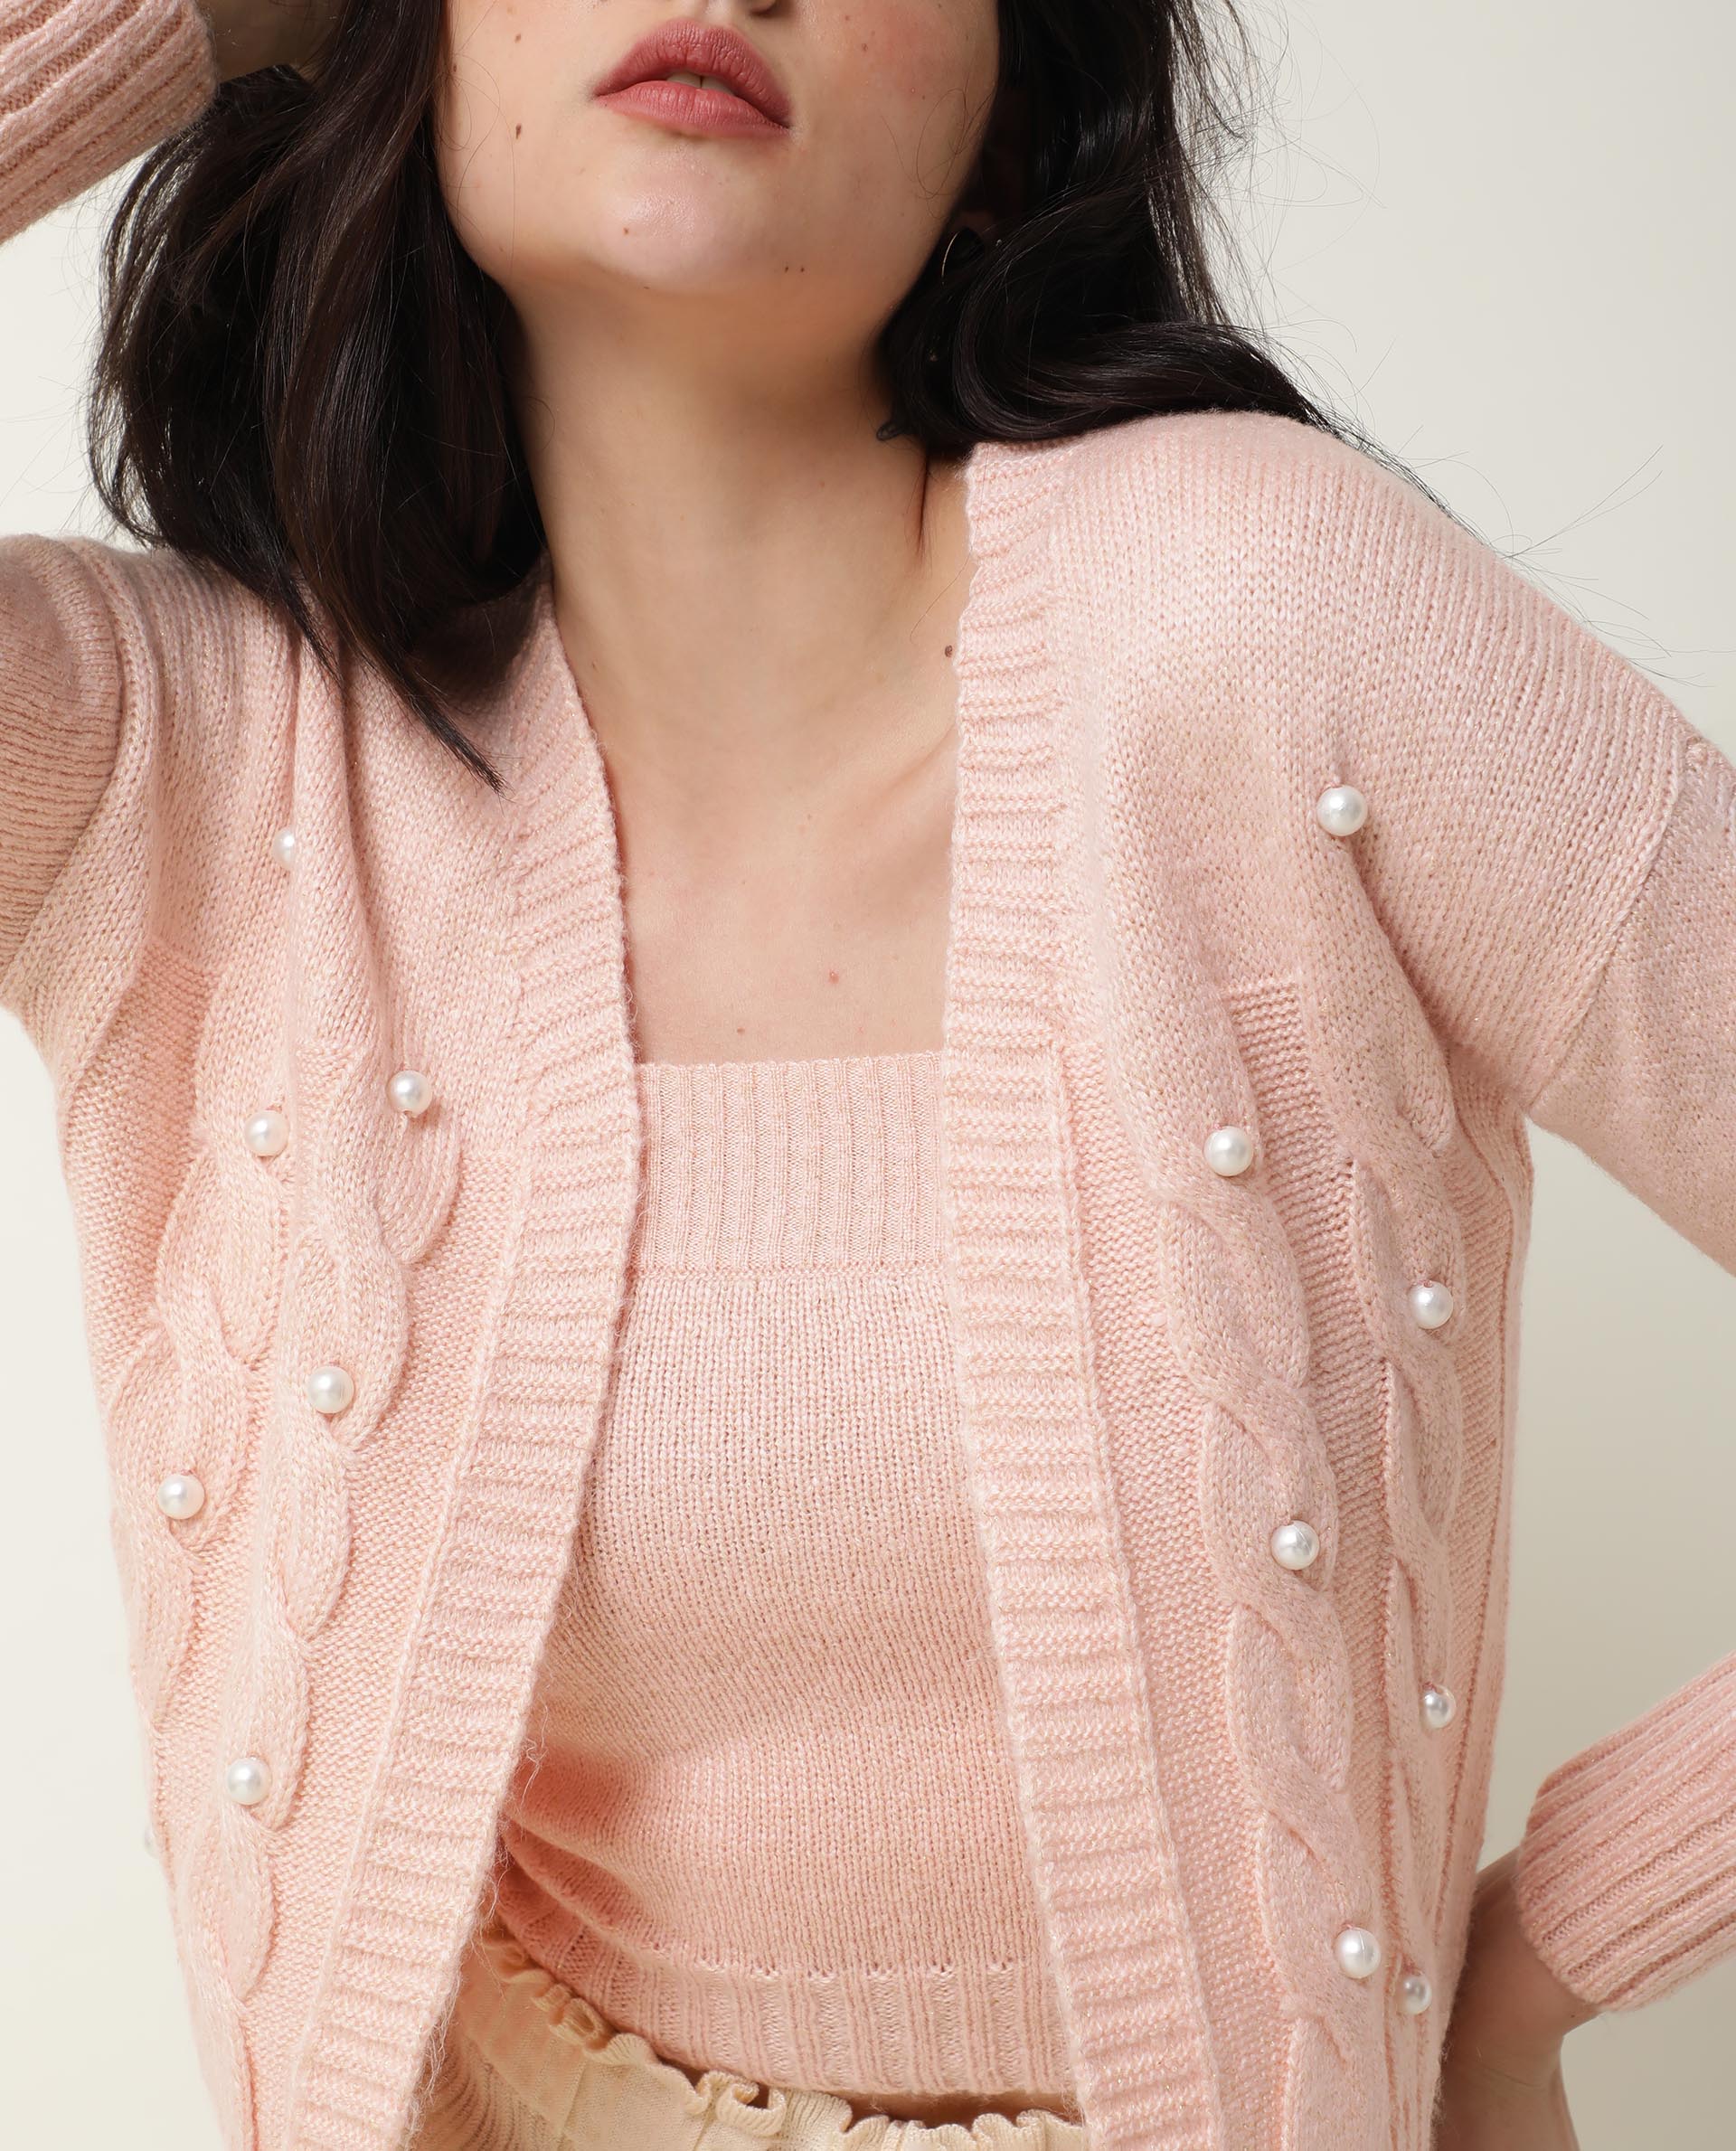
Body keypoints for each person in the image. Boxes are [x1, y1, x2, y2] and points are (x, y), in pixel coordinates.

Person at [1, 0, 1731, 2146]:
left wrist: (1542, 1954)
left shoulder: (1276, 621)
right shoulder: (195, 763)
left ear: (1007, 130)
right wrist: (179, 23)